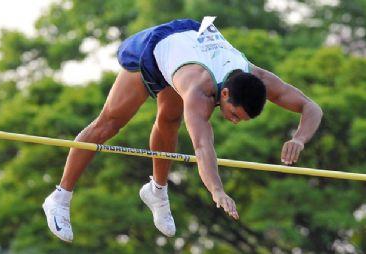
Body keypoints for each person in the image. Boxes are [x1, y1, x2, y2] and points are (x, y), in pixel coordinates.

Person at [42, 18, 323, 242]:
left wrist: (299, 138)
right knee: (109, 124)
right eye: (234, 114)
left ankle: (157, 192)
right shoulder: (198, 91)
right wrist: (217, 191)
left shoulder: (257, 76)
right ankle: (60, 197)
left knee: (168, 121)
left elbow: (311, 107)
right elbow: (203, 148)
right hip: (156, 49)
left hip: (194, 41)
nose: (234, 121)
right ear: (224, 94)